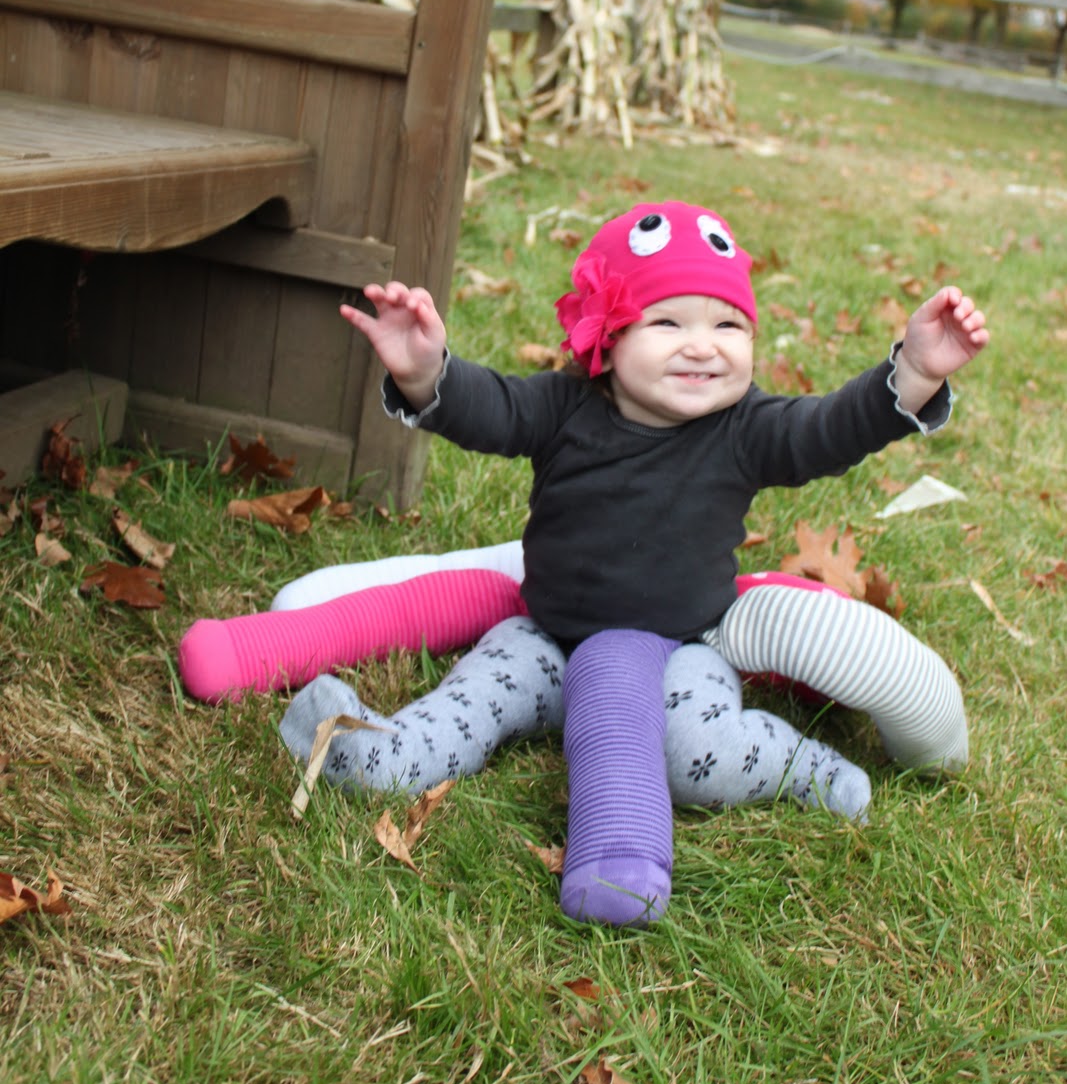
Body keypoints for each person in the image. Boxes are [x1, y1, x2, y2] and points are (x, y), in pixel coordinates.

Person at [258, 200, 986, 927]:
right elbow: (490, 409)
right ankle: (378, 753)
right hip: (545, 639)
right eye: (668, 323)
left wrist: (913, 372)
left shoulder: (746, 430)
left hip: (683, 650)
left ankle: (805, 769)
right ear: (605, 339)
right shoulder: (564, 407)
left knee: (697, 754)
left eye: (728, 326)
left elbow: (831, 428)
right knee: (468, 706)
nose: (702, 347)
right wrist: (426, 373)